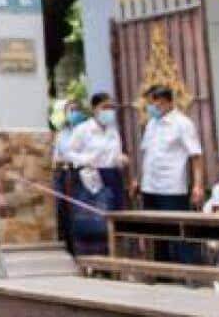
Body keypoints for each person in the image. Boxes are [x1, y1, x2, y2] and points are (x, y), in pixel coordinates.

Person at [132, 85, 205, 264]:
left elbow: (196, 156)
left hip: (172, 187)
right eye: (149, 103)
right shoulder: (151, 124)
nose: (150, 108)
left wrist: (197, 185)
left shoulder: (182, 124)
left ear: (167, 102)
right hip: (150, 186)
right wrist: (138, 180)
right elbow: (146, 155)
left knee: (179, 231)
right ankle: (162, 273)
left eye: (154, 104)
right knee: (156, 233)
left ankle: (188, 272)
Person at [65, 93, 129, 255]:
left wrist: (120, 159)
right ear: (94, 109)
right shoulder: (84, 129)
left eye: (111, 108)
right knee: (92, 221)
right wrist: (86, 159)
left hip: (112, 177)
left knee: (114, 218)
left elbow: (115, 153)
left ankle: (113, 256)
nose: (109, 111)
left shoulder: (113, 131)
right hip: (91, 178)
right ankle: (91, 260)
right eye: (105, 107)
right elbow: (69, 153)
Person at [52, 99, 86, 255]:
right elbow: (56, 159)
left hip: (82, 174)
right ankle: (70, 249)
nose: (74, 114)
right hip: (65, 175)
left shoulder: (87, 131)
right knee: (65, 213)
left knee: (82, 212)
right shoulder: (62, 134)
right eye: (70, 111)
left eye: (76, 110)